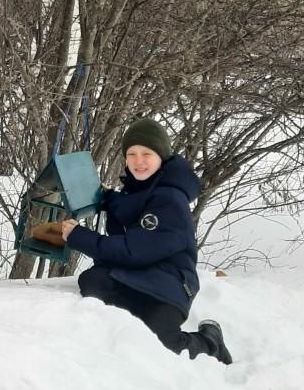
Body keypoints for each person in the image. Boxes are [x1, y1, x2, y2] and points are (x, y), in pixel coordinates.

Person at [62, 118, 233, 364]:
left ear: (161, 157)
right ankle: (126, 329)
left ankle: (211, 343)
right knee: (94, 282)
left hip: (169, 282)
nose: (138, 161)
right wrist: (108, 198)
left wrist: (79, 236)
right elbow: (132, 207)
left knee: (163, 345)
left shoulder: (170, 199)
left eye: (147, 154)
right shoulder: (142, 187)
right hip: (140, 273)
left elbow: (134, 250)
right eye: (131, 154)